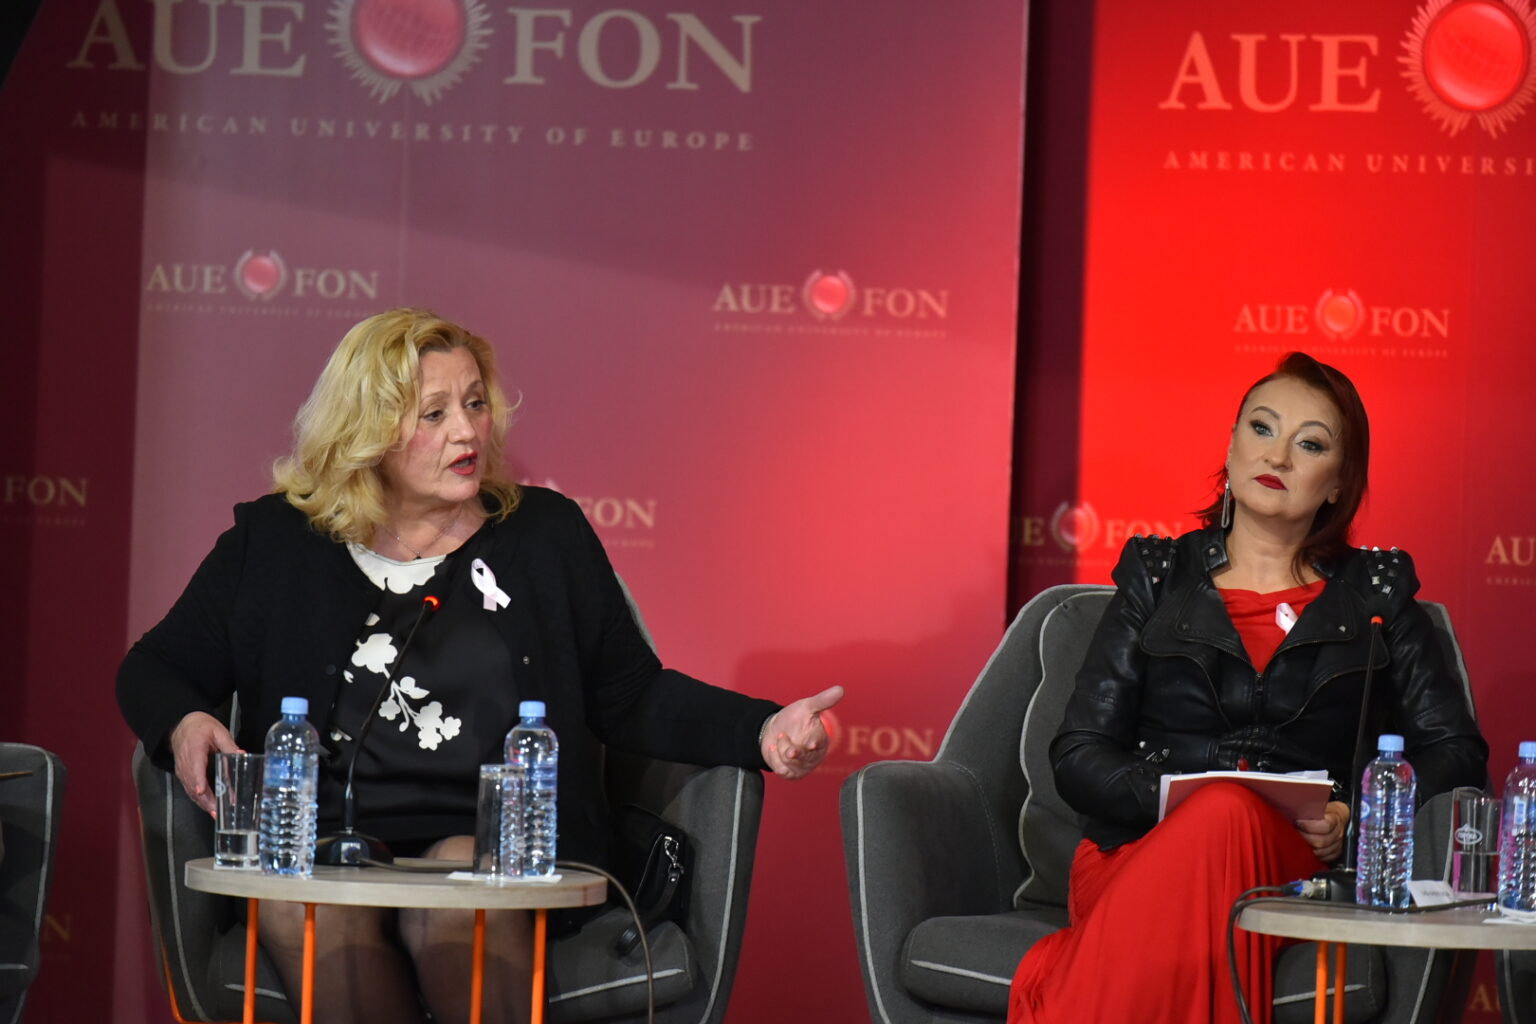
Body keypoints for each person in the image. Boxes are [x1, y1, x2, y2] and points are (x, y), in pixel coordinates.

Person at [117, 308, 843, 1024]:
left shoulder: (543, 537)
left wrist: (763, 729)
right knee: (297, 908)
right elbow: (153, 667)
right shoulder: (277, 542)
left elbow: (631, 694)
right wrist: (185, 722)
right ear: (367, 430)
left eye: (474, 404)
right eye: (433, 414)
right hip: (325, 849)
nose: (467, 431)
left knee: (466, 893)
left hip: (497, 844)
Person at [1008, 352, 1487, 1024]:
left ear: (1338, 484)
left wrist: (1352, 815)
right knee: (1221, 811)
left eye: (1310, 444)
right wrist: (1179, 800)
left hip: (1291, 868)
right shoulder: (1158, 575)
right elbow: (1079, 753)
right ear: (1231, 447)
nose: (1278, 455)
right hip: (1137, 856)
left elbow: (1456, 753)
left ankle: (1062, 992)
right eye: (1262, 429)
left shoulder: (1378, 594)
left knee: (1229, 814)